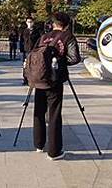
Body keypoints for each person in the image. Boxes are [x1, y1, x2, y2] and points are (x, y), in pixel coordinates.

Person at [32, 12, 80, 160]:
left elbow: (33, 54)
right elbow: (74, 58)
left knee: (39, 111)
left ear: (53, 23)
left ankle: (39, 144)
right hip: (55, 80)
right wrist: (60, 63)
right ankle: (54, 151)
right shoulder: (68, 37)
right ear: (66, 24)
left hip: (39, 78)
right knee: (54, 114)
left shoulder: (43, 37)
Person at [21, 17, 42, 85]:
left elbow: (39, 41)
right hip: (26, 50)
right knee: (25, 65)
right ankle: (25, 79)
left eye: (31, 22)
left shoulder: (37, 32)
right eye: (28, 22)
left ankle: (33, 79)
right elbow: (21, 41)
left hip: (34, 51)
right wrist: (22, 50)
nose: (29, 23)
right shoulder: (24, 31)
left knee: (34, 65)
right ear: (26, 22)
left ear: (33, 22)